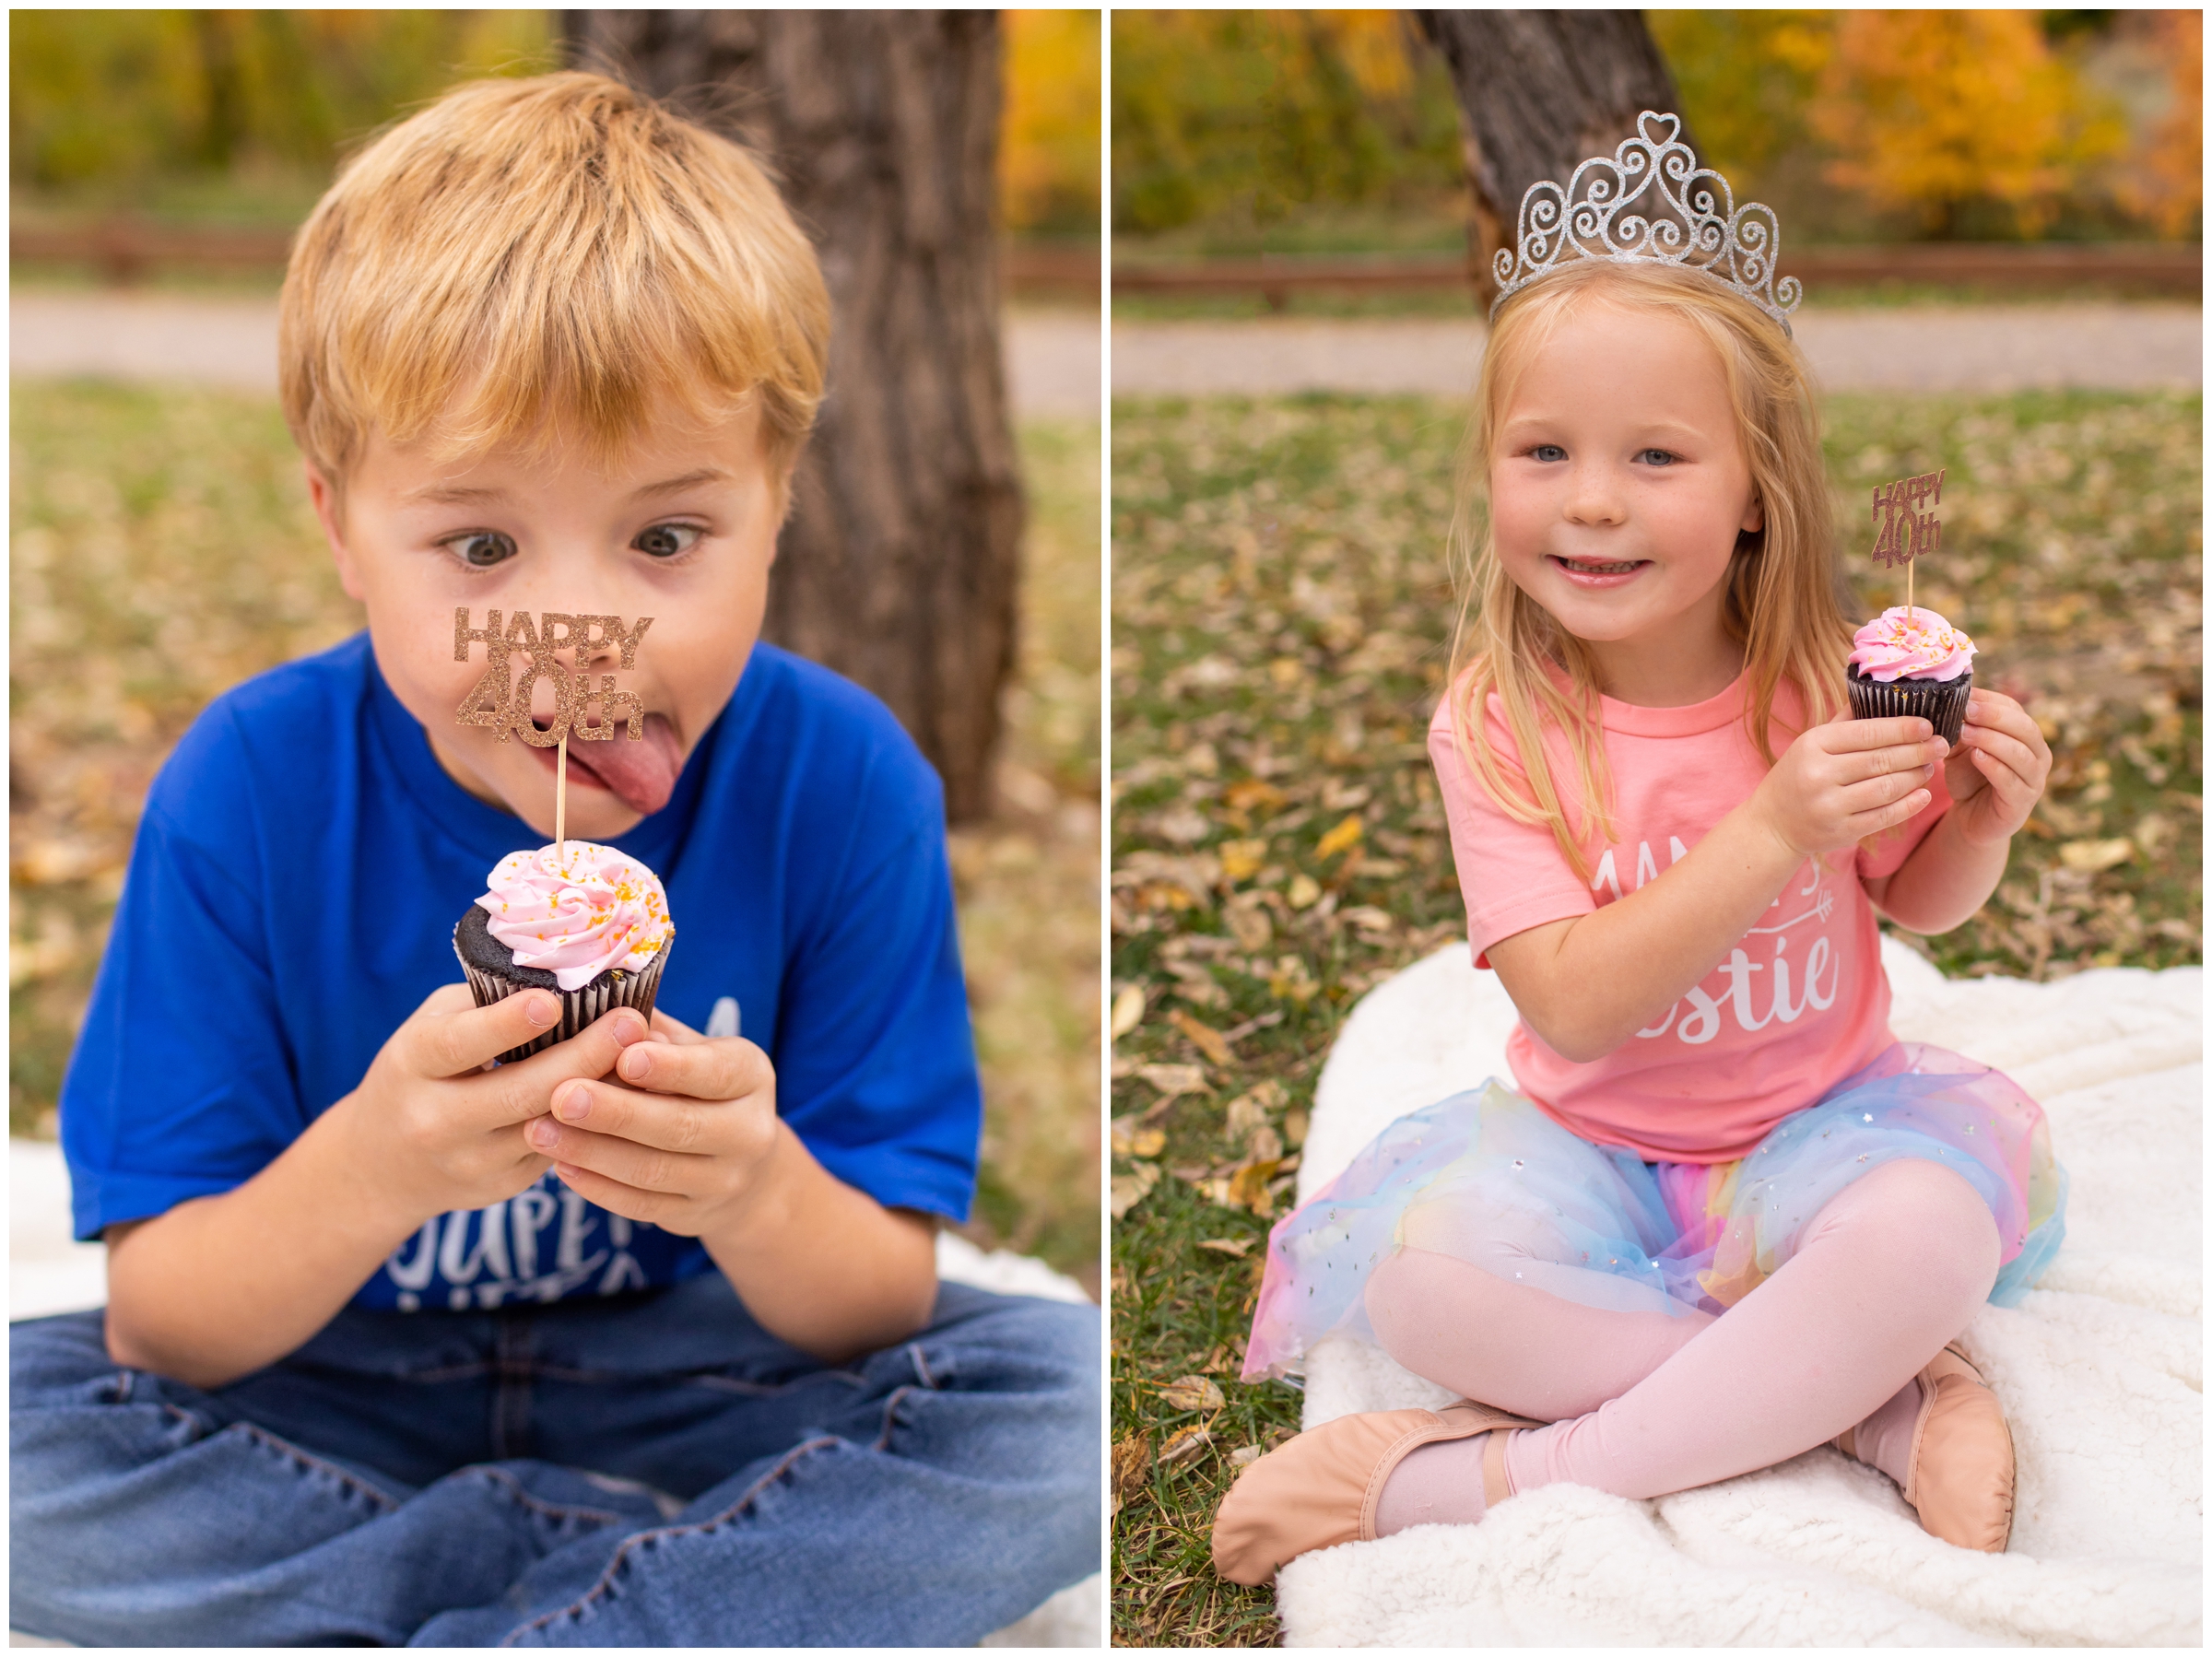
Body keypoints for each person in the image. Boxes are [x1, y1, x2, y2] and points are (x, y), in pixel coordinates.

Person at [11, 73, 1098, 1646]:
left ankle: (463, 1601)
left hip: (702, 1375)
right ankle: (626, 1591)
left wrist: (750, 1183)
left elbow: (875, 1299)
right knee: (28, 1436)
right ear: (338, 524)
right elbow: (166, 1321)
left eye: (665, 540)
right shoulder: (247, 785)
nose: (580, 643)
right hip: (334, 1385)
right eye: (479, 548)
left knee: (1058, 1400)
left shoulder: (844, 780)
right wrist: (378, 1161)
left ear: (776, 511)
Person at [1210, 115, 2062, 1585]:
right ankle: (1869, 1403)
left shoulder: (1820, 674)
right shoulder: (1497, 726)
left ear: (1752, 496)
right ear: (1492, 470)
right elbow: (1576, 1003)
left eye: (1654, 456)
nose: (1592, 498)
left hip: (1823, 1127)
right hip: (1588, 1149)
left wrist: (1975, 820)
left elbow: (1920, 907)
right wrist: (1770, 824)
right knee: (1416, 1289)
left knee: (1929, 1236)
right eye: (1545, 452)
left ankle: (1487, 1475)